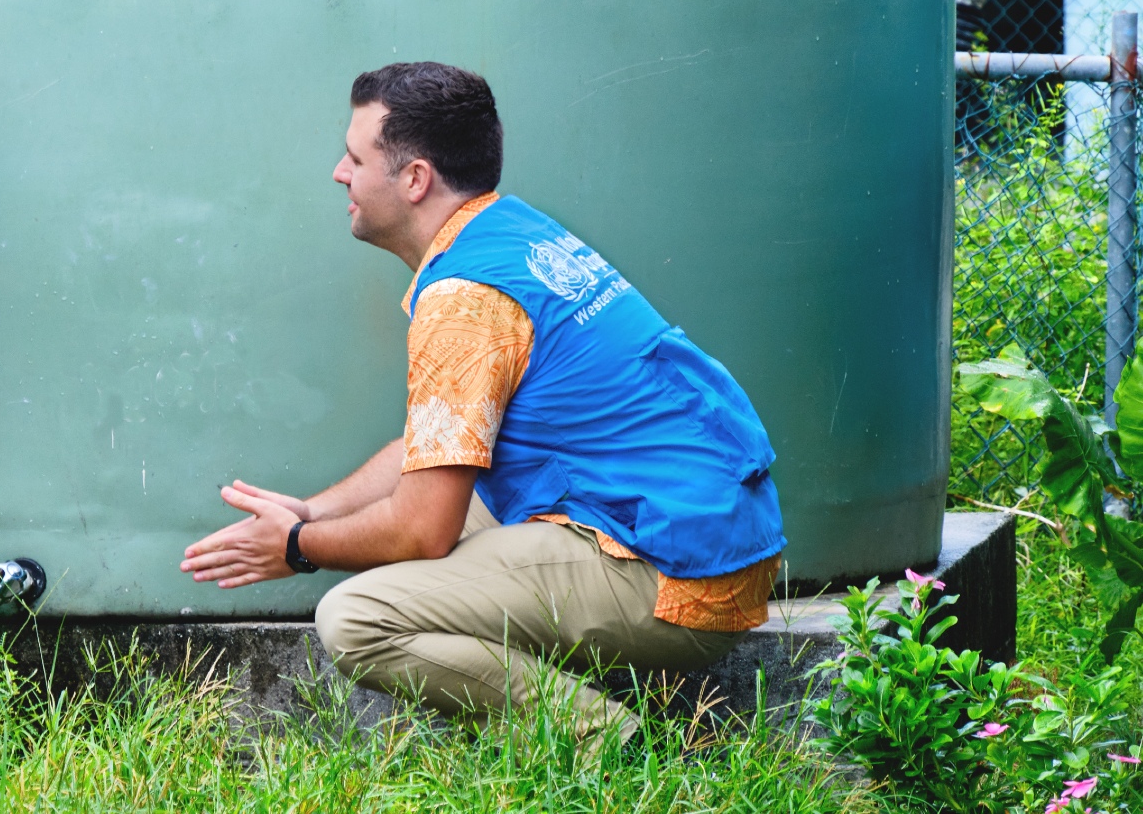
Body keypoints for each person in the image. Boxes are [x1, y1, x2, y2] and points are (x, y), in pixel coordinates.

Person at [180, 62, 785, 750]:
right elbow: (435, 448)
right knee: (444, 509)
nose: (339, 174)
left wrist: (295, 547)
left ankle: (608, 745)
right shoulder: (506, 233)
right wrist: (314, 513)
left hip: (677, 573)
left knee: (356, 618)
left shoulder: (465, 298)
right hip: (695, 530)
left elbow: (421, 531)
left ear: (414, 179)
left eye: (355, 158)